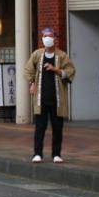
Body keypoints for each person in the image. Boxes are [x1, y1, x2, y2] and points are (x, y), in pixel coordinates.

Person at [24, 28, 75, 163]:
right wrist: (32, 83)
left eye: (49, 36)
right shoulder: (37, 54)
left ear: (55, 38)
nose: (47, 38)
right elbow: (28, 69)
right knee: (40, 127)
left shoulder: (62, 55)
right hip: (41, 98)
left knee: (57, 128)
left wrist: (55, 70)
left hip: (57, 99)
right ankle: (37, 153)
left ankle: (56, 154)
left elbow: (70, 71)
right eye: (44, 36)